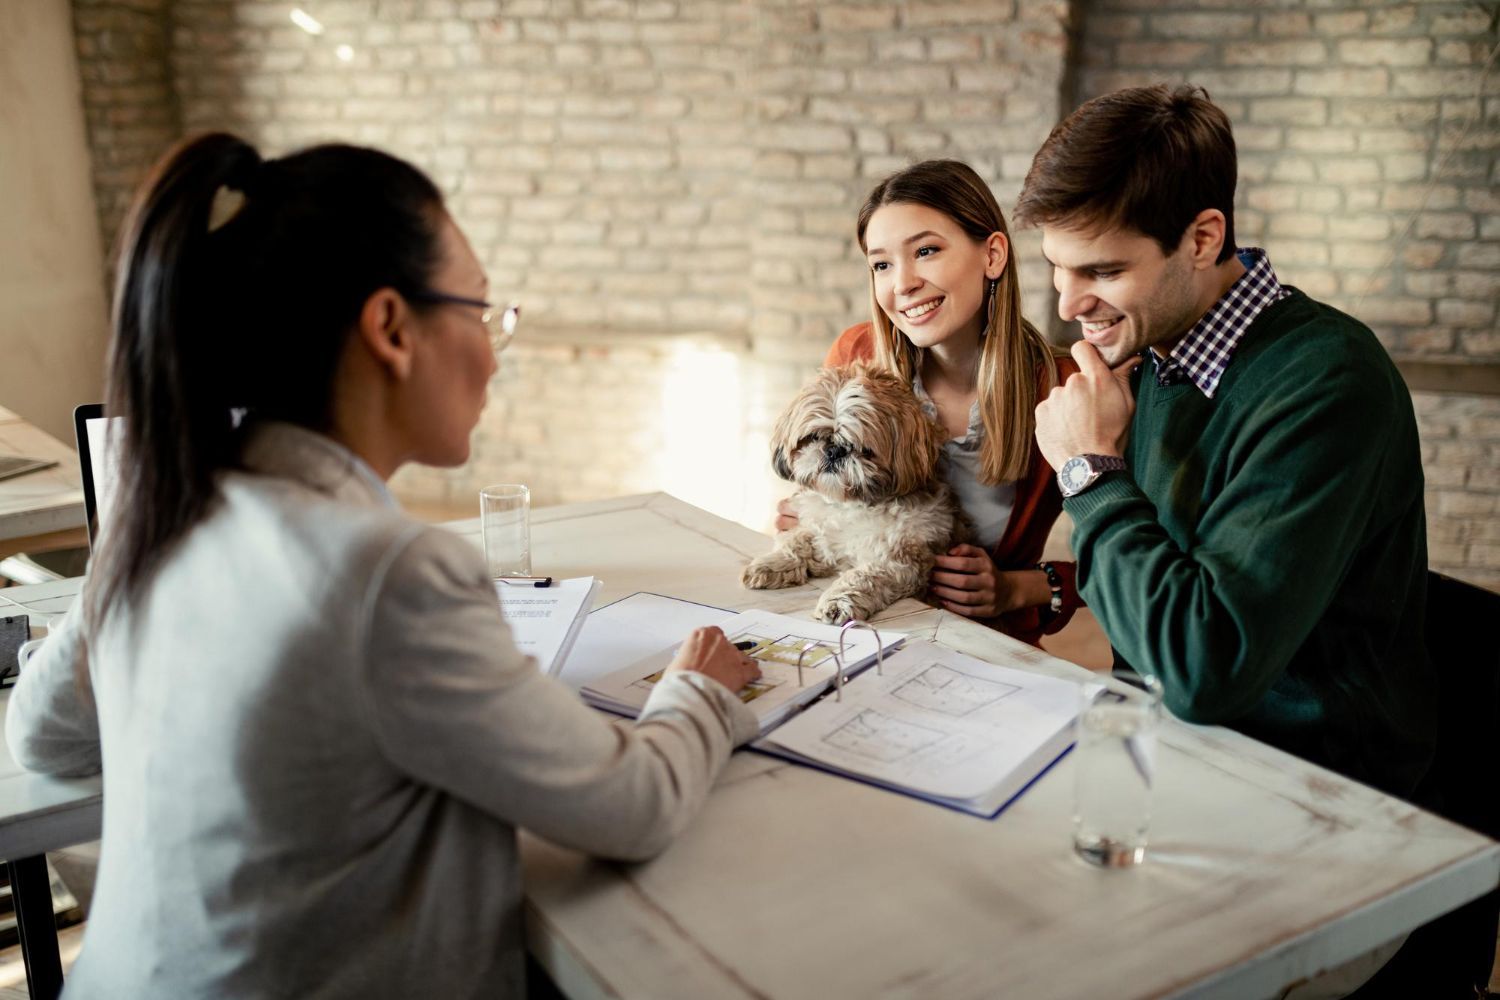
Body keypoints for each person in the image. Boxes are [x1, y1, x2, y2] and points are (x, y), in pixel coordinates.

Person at [5, 133, 761, 998]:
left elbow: (40, 732)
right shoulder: (388, 572)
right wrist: (698, 688)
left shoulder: (165, 511)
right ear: (392, 328)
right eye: (480, 310)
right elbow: (634, 803)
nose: (491, 349)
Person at [1021, 84, 1435, 800]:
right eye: (1059, 267)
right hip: (1166, 744)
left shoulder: (1329, 382)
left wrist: (1090, 473)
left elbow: (1203, 672)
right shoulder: (1149, 353)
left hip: (1316, 788)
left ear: (1203, 239)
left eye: (1104, 271)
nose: (1067, 304)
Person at [778, 159, 1081, 645]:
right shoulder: (858, 354)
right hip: (855, 631)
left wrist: (1017, 588)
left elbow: (1133, 555)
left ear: (993, 255)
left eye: (925, 250)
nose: (902, 284)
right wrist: (811, 512)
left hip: (977, 645)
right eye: (881, 264)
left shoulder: (1064, 387)